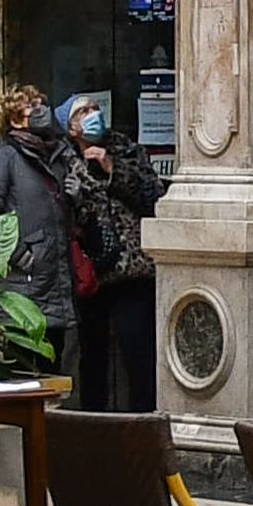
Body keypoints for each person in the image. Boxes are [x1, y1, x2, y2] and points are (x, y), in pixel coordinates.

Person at [52, 89, 172, 412]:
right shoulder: (63, 164)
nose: (93, 113)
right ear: (71, 128)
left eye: (95, 107)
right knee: (92, 358)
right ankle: (95, 428)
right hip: (90, 274)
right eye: (83, 112)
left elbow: (154, 197)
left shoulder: (126, 150)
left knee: (139, 354)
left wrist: (112, 170)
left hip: (131, 270)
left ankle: (143, 426)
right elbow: (62, 219)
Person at [0, 84, 77, 376]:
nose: (39, 111)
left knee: (52, 374)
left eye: (40, 103)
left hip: (55, 284)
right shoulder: (2, 156)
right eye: (30, 106)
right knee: (23, 375)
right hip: (22, 288)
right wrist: (20, 254)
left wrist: (75, 197)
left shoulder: (55, 156)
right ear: (14, 119)